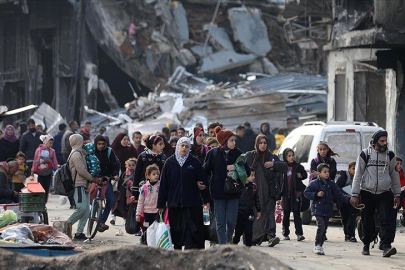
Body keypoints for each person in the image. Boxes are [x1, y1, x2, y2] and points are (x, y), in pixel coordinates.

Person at [350, 130, 400, 257]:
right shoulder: (365, 154)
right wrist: (355, 194)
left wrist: (397, 194)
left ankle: (386, 246)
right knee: (367, 220)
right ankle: (366, 245)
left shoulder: (390, 156)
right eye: (381, 141)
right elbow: (357, 175)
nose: (384, 143)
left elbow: (394, 176)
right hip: (367, 192)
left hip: (384, 193)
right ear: (375, 141)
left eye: (385, 141)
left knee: (385, 219)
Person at [158, 137, 210, 249]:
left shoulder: (194, 162)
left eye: (187, 146)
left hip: (191, 205)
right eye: (182, 146)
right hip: (175, 205)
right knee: (177, 236)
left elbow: (203, 182)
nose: (184, 148)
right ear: (177, 146)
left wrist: (206, 200)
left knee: (190, 235)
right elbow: (164, 185)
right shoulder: (169, 162)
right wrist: (161, 204)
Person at [203, 126, 250, 245]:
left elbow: (247, 171)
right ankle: (223, 246)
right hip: (218, 193)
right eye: (231, 140)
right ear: (224, 141)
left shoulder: (239, 153)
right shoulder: (213, 153)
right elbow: (205, 170)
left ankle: (229, 239)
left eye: (234, 140)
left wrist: (236, 168)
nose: (234, 142)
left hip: (234, 192)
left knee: (232, 221)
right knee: (220, 222)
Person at [245, 135, 287, 247]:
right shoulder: (250, 156)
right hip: (253, 192)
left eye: (265, 143)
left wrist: (274, 164)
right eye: (261, 143)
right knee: (255, 214)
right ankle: (253, 237)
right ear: (257, 144)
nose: (263, 145)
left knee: (269, 214)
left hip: (269, 191)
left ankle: (271, 236)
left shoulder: (272, 157)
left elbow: (284, 167)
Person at [304, 163, 351, 255]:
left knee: (324, 228)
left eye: (328, 172)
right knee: (321, 226)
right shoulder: (314, 183)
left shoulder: (331, 184)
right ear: (319, 173)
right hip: (318, 209)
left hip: (327, 210)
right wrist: (316, 194)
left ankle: (320, 245)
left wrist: (350, 200)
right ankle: (317, 245)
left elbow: (339, 195)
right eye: (324, 172)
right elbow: (306, 193)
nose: (327, 174)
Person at [67, 134, 97, 241]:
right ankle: (65, 226)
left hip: (84, 184)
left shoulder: (80, 153)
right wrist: (92, 178)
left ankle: (79, 233)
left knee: (86, 210)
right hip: (78, 184)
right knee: (81, 208)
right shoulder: (76, 154)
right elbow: (81, 170)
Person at [93, 135, 120, 232]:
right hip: (93, 179)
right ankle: (92, 214)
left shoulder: (109, 152)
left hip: (106, 179)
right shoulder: (91, 151)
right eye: (99, 144)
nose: (100, 146)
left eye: (102, 144)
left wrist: (115, 174)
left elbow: (114, 165)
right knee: (91, 198)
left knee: (110, 200)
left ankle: (102, 221)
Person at [279, 148, 307, 241]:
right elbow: (280, 181)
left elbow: (305, 175)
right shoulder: (283, 167)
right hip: (286, 195)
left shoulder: (298, 166)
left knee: (296, 214)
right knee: (286, 214)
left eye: (292, 155)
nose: (291, 157)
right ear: (285, 157)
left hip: (296, 194)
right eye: (289, 156)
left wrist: (301, 175)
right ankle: (285, 233)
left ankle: (299, 234)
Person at [110, 133, 138, 224]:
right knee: (115, 196)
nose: (126, 141)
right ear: (119, 140)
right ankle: (113, 215)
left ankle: (126, 217)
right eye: (124, 139)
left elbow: (136, 160)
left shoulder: (130, 149)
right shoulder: (113, 150)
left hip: (127, 177)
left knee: (123, 197)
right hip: (117, 177)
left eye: (127, 139)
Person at [131, 134, 167, 199]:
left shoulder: (163, 157)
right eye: (160, 144)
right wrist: (134, 193)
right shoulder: (143, 156)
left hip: (159, 188)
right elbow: (137, 174)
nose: (163, 146)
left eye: (163, 144)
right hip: (144, 188)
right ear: (153, 145)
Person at [232, 168, 261, 247]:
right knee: (238, 231)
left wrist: (259, 210)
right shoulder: (238, 185)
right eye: (251, 175)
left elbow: (256, 199)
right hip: (239, 212)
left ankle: (248, 248)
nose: (253, 177)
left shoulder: (253, 187)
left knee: (249, 231)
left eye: (254, 175)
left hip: (249, 212)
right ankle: (233, 245)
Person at [136, 164, 160, 244]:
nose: (156, 176)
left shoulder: (160, 186)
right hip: (147, 212)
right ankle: (145, 241)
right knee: (147, 228)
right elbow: (140, 202)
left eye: (157, 174)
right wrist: (138, 214)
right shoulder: (144, 187)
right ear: (148, 176)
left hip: (157, 212)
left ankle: (155, 243)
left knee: (157, 228)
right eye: (154, 174)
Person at [32, 135, 58, 201]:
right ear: (45, 142)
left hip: (48, 172)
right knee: (40, 187)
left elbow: (54, 161)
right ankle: (40, 201)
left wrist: (56, 169)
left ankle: (44, 202)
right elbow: (35, 160)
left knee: (46, 187)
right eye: (49, 143)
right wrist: (33, 170)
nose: (51, 145)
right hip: (40, 172)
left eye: (52, 143)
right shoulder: (39, 150)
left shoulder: (52, 151)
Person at [336, 161, 357, 242]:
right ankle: (347, 235)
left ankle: (352, 235)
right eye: (353, 169)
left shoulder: (359, 177)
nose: (355, 171)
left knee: (352, 218)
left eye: (356, 169)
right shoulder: (344, 177)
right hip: (344, 202)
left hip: (354, 202)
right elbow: (337, 188)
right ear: (349, 169)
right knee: (345, 219)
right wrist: (345, 195)